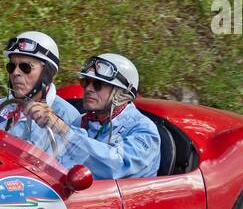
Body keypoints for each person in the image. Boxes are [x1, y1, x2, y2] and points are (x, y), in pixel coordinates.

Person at [26, 52, 160, 179]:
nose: (88, 89)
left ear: (121, 93)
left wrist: (63, 129)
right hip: (85, 196)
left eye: (98, 85)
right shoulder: (82, 121)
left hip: (124, 200)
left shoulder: (145, 130)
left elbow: (116, 166)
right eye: (86, 82)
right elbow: (60, 160)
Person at [0, 31, 81, 159]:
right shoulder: (2, 106)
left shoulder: (66, 116)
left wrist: (58, 126)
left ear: (47, 73)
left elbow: (74, 165)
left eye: (25, 67)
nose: (15, 73)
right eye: (11, 66)